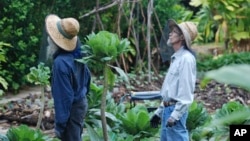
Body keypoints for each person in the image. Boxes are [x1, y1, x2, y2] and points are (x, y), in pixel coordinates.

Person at [45, 14, 91, 141]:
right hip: (81, 105)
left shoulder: (60, 63)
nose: (49, 38)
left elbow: (64, 98)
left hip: (71, 110)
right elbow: (87, 79)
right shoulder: (79, 53)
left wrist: (60, 126)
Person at [150, 19, 198, 141]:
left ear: (182, 37)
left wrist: (175, 116)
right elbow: (170, 91)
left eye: (174, 32)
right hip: (168, 110)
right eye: (170, 31)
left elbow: (186, 92)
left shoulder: (186, 59)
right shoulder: (176, 58)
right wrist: (159, 112)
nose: (170, 34)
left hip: (175, 112)